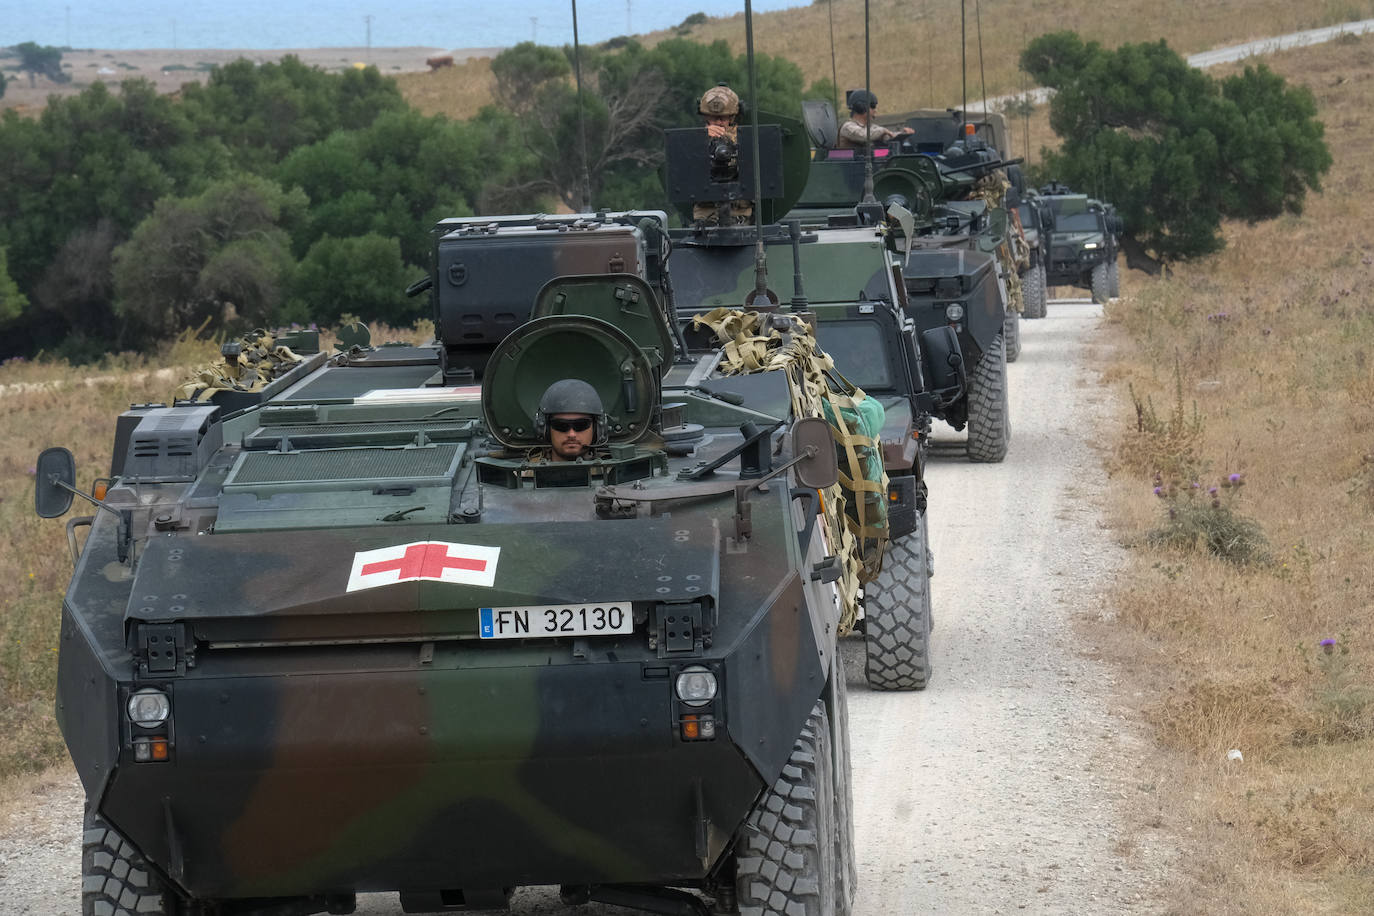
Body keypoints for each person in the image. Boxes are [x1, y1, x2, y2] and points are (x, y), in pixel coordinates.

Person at [693, 84, 753, 227]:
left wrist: (729, 138)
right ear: (706, 117)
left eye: (723, 118)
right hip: (705, 212)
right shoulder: (695, 139)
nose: (718, 123)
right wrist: (702, 138)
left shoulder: (745, 137)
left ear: (733, 117)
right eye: (713, 118)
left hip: (739, 212)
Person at [536, 378, 606, 462]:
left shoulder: (614, 471)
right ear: (545, 430)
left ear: (596, 429)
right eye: (561, 425)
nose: (571, 434)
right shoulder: (526, 473)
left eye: (581, 425)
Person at [836, 90, 914, 150]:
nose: (875, 110)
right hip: (849, 169)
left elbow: (888, 136)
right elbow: (864, 135)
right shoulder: (848, 127)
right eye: (872, 106)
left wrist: (903, 134)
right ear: (861, 107)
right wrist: (883, 131)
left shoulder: (870, 127)